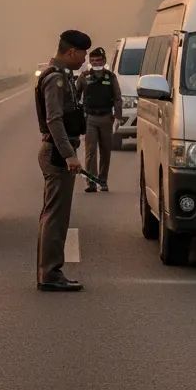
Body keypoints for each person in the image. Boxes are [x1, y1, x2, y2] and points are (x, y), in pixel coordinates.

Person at [36, 29, 91, 291]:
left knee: (54, 215)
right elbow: (54, 120)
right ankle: (50, 274)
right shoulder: (55, 79)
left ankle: (49, 271)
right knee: (55, 217)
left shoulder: (62, 75)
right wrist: (69, 155)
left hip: (59, 150)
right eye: (82, 54)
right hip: (57, 152)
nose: (84, 59)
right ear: (71, 52)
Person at [77, 46, 123, 192]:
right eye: (93, 60)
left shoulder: (110, 77)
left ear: (104, 61)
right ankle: (91, 182)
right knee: (90, 151)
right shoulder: (84, 77)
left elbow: (117, 98)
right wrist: (77, 115)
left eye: (99, 60)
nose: (96, 63)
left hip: (106, 118)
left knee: (105, 151)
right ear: (90, 61)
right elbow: (76, 96)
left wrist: (118, 117)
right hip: (90, 118)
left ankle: (102, 180)